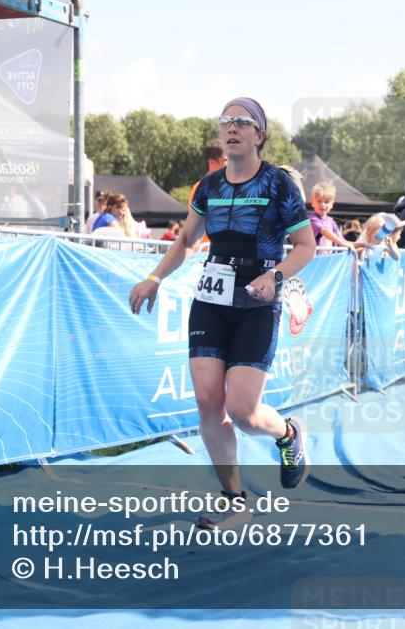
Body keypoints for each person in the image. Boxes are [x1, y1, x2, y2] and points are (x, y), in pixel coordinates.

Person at [129, 98, 316, 528]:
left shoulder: (279, 185)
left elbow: (305, 245)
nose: (231, 128)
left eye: (242, 122)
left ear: (259, 135)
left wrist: (277, 275)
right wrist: (155, 278)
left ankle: (288, 434)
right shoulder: (208, 186)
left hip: (256, 303)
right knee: (207, 401)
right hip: (211, 303)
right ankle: (235, 499)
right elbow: (186, 241)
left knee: (246, 412)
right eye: (226, 122)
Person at [309, 181, 353, 250]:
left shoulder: (331, 221)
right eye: (319, 201)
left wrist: (362, 245)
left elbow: (342, 241)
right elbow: (324, 231)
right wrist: (344, 244)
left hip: (330, 259)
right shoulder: (312, 219)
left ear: (332, 204)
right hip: (315, 259)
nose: (323, 205)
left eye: (326, 202)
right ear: (312, 202)